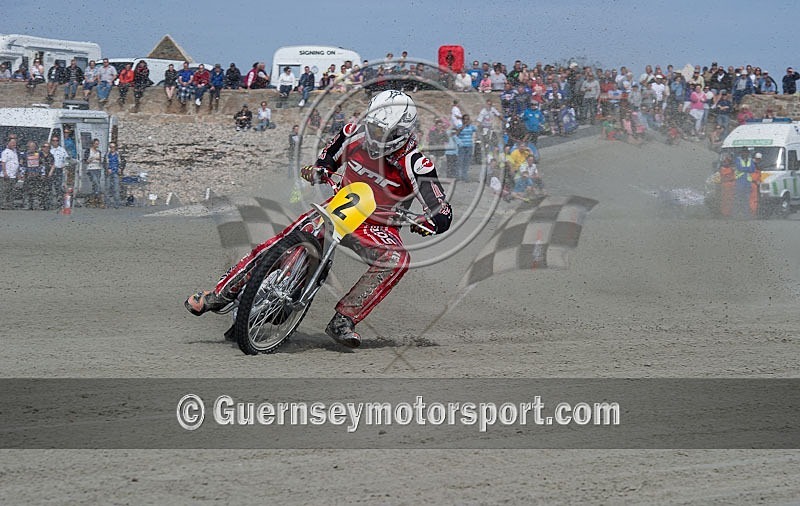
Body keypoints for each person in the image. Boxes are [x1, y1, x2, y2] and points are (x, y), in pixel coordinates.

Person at [185, 90, 452, 348]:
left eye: (383, 132)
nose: (374, 135)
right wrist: (320, 170)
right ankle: (220, 294)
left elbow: (442, 209)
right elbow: (326, 159)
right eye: (372, 127)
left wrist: (431, 221)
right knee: (281, 241)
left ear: (402, 132)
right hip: (340, 206)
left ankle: (344, 319)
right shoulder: (351, 134)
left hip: (379, 225)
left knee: (398, 260)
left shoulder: (415, 163)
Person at [20, 141, 46, 210]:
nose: (32, 148)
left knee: (37, 191)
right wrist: (22, 174)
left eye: (33, 146)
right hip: (28, 175)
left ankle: (36, 205)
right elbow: (22, 165)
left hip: (37, 175)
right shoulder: (25, 154)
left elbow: (42, 164)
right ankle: (27, 205)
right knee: (26, 191)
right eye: (30, 146)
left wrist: (43, 174)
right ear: (28, 147)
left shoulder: (39, 154)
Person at [455, 113, 477, 182]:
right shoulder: (459, 126)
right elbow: (456, 134)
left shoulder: (471, 127)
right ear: (462, 120)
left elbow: (477, 129)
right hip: (462, 147)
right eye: (465, 119)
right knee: (460, 162)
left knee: (467, 162)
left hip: (469, 146)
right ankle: (458, 177)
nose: (466, 120)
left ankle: (465, 177)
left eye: (468, 119)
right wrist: (463, 126)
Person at [49, 135, 69, 206]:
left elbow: (67, 159)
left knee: (58, 185)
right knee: (50, 186)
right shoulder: (49, 150)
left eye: (56, 140)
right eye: (53, 140)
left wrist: (65, 166)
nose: (55, 142)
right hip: (50, 170)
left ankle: (60, 201)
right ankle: (50, 201)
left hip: (59, 169)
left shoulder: (62, 150)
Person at [1, 138, 20, 209]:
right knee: (4, 191)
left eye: (15, 143)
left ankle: (10, 204)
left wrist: (18, 173)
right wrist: (5, 173)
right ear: (8, 143)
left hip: (13, 175)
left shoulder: (15, 151)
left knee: (11, 191)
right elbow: (3, 163)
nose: (14, 144)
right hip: (6, 175)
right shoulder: (5, 152)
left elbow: (16, 163)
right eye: (12, 143)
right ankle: (3, 204)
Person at [84, 138, 104, 207]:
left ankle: (93, 199)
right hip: (91, 169)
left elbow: (101, 161)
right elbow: (85, 161)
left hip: (98, 168)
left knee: (96, 184)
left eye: (98, 144)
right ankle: (100, 199)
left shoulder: (99, 152)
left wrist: (100, 160)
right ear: (93, 144)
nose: (97, 145)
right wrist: (92, 159)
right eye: (96, 144)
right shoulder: (88, 151)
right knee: (96, 182)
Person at [105, 142, 125, 209]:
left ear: (115, 147)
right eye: (111, 147)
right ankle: (108, 203)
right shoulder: (107, 155)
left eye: (113, 147)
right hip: (109, 172)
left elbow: (123, 162)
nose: (112, 148)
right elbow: (104, 163)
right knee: (107, 188)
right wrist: (107, 169)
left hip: (116, 172)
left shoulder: (118, 155)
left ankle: (116, 204)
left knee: (116, 188)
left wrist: (120, 168)